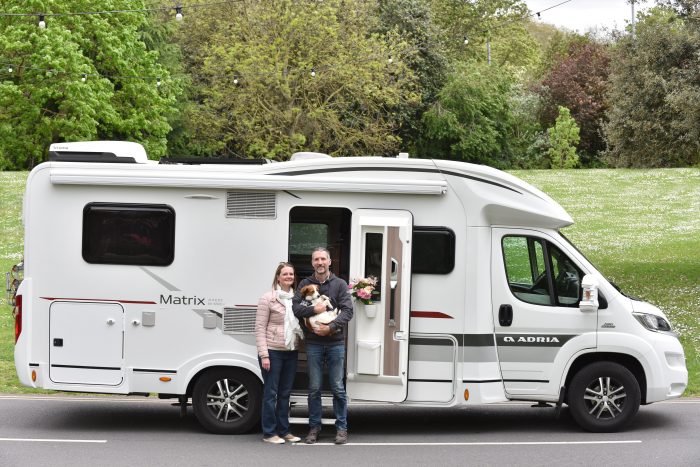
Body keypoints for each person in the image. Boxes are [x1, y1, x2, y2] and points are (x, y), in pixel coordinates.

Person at [293, 247, 354, 445]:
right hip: (314, 343)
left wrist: (331, 327)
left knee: (337, 387)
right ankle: (314, 428)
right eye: (316, 259)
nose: (320, 262)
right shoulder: (305, 284)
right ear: (312, 263)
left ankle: (342, 428)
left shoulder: (340, 284)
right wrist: (314, 309)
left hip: (335, 342)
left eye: (323, 259)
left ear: (329, 262)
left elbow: (347, 311)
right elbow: (296, 308)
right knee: (314, 388)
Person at [255, 262, 304, 444]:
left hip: (290, 351)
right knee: (271, 394)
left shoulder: (296, 299)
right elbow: (259, 328)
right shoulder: (268, 298)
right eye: (285, 274)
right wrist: (264, 355)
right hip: (273, 352)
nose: (289, 277)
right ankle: (269, 433)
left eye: (291, 274)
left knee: (285, 394)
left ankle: (284, 431)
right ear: (278, 277)